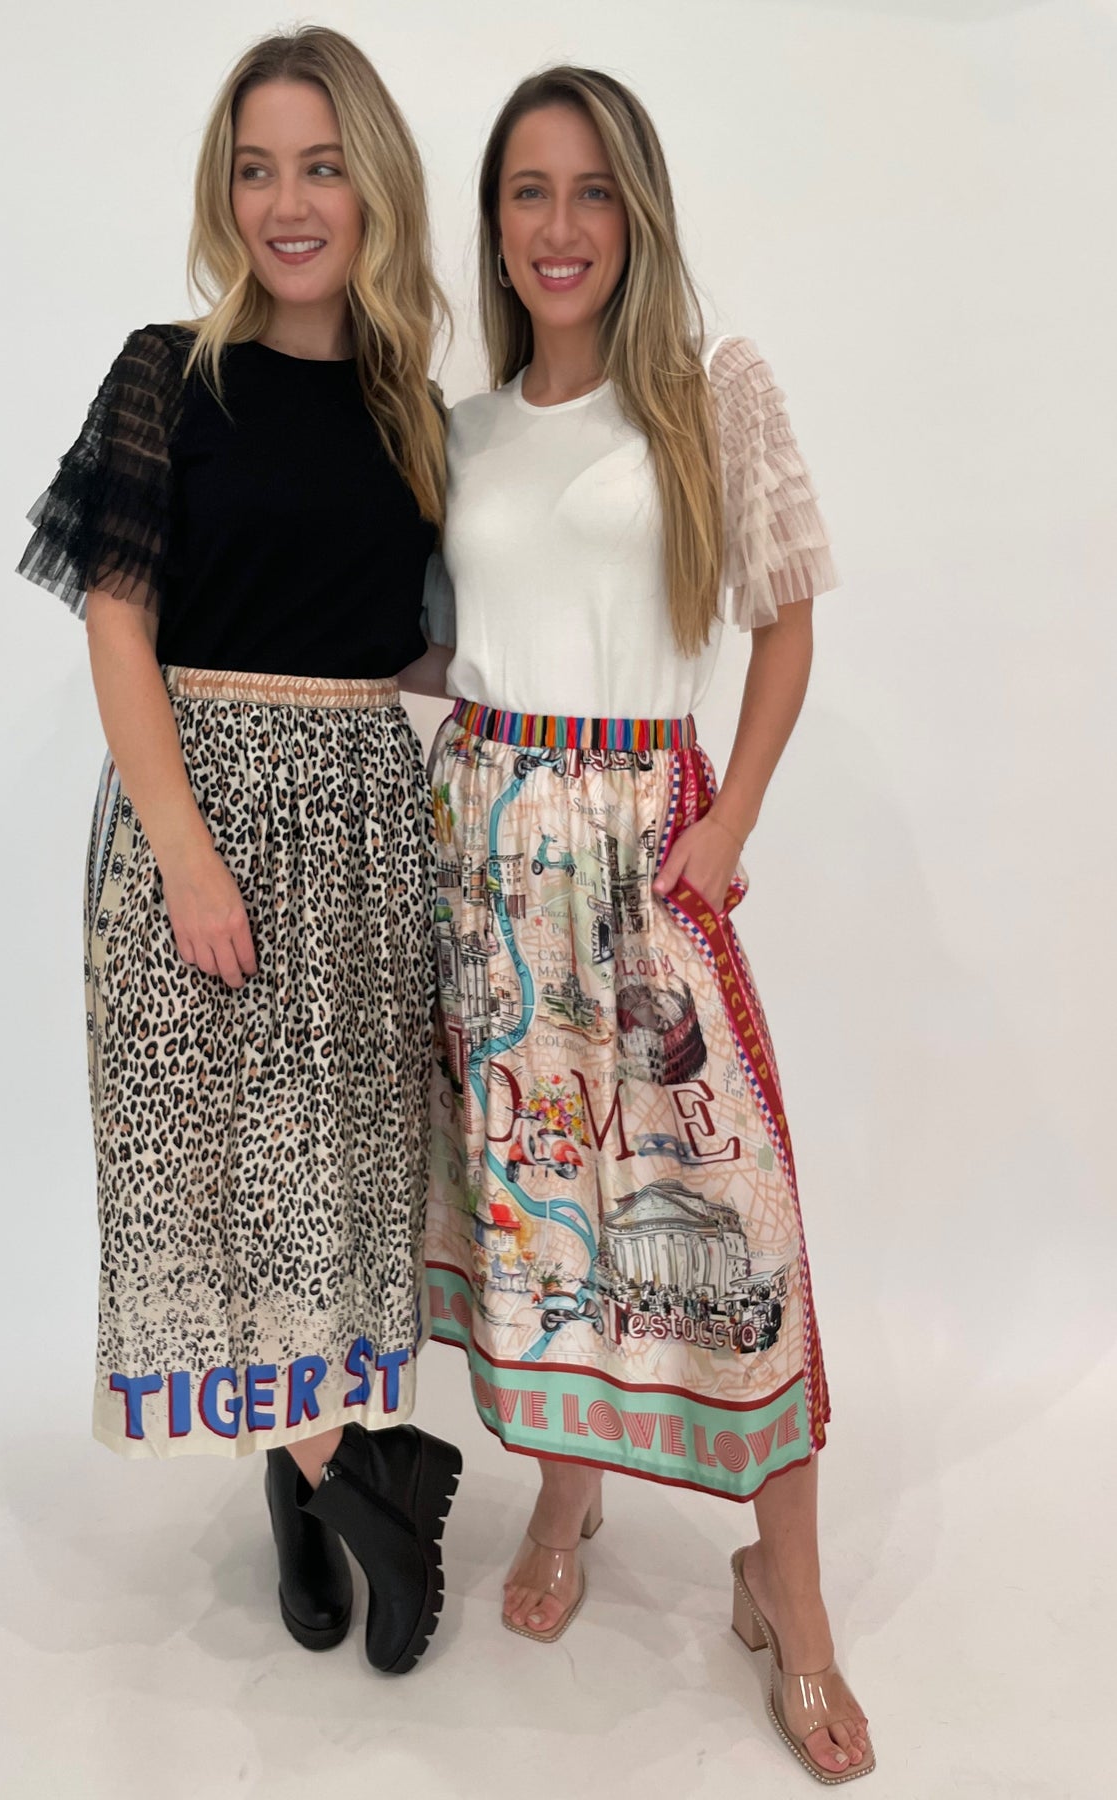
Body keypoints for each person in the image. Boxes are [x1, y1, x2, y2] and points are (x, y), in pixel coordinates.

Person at [421, 67, 873, 1776]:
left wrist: (728, 818)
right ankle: (568, 1499)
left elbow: (783, 621)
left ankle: (791, 1598)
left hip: (642, 845)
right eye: (527, 193)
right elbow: (435, 642)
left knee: (733, 1228)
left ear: (637, 213)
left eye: (592, 191)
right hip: (485, 853)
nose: (559, 227)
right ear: (494, 226)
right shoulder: (460, 434)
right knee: (544, 1213)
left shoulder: (703, 392)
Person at [16, 26, 461, 1677]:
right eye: (257, 168)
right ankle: (361, 1482)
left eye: (321, 166)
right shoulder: (166, 372)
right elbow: (116, 621)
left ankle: (305, 1483)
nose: (288, 202)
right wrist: (191, 859)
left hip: (363, 822)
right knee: (216, 1179)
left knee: (332, 1178)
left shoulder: (415, 407)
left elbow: (423, 642)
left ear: (373, 185)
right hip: (190, 810)